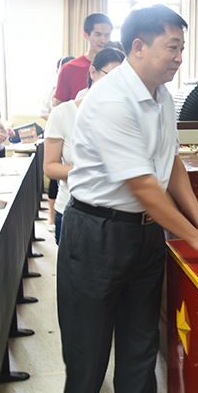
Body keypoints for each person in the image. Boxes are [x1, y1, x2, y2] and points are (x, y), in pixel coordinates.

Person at [57, 5, 198, 393]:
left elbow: (169, 161)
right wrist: (195, 238)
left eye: (182, 47)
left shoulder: (161, 97)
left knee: (140, 332)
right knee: (87, 338)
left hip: (144, 232)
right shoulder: (111, 99)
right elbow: (143, 186)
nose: (179, 57)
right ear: (138, 46)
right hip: (97, 230)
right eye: (172, 47)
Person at [44, 47, 125, 245]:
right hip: (73, 210)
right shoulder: (63, 113)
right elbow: (50, 167)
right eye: (110, 76)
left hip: (116, 214)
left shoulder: (125, 115)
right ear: (93, 72)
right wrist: (91, 171)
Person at [41, 55, 75, 232]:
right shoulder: (55, 95)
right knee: (57, 181)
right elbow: (44, 111)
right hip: (58, 136)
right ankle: (51, 217)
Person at [52, 13, 113, 106]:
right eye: (98, 35)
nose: (103, 40)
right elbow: (58, 106)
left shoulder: (115, 68)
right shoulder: (69, 68)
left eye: (107, 35)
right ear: (86, 35)